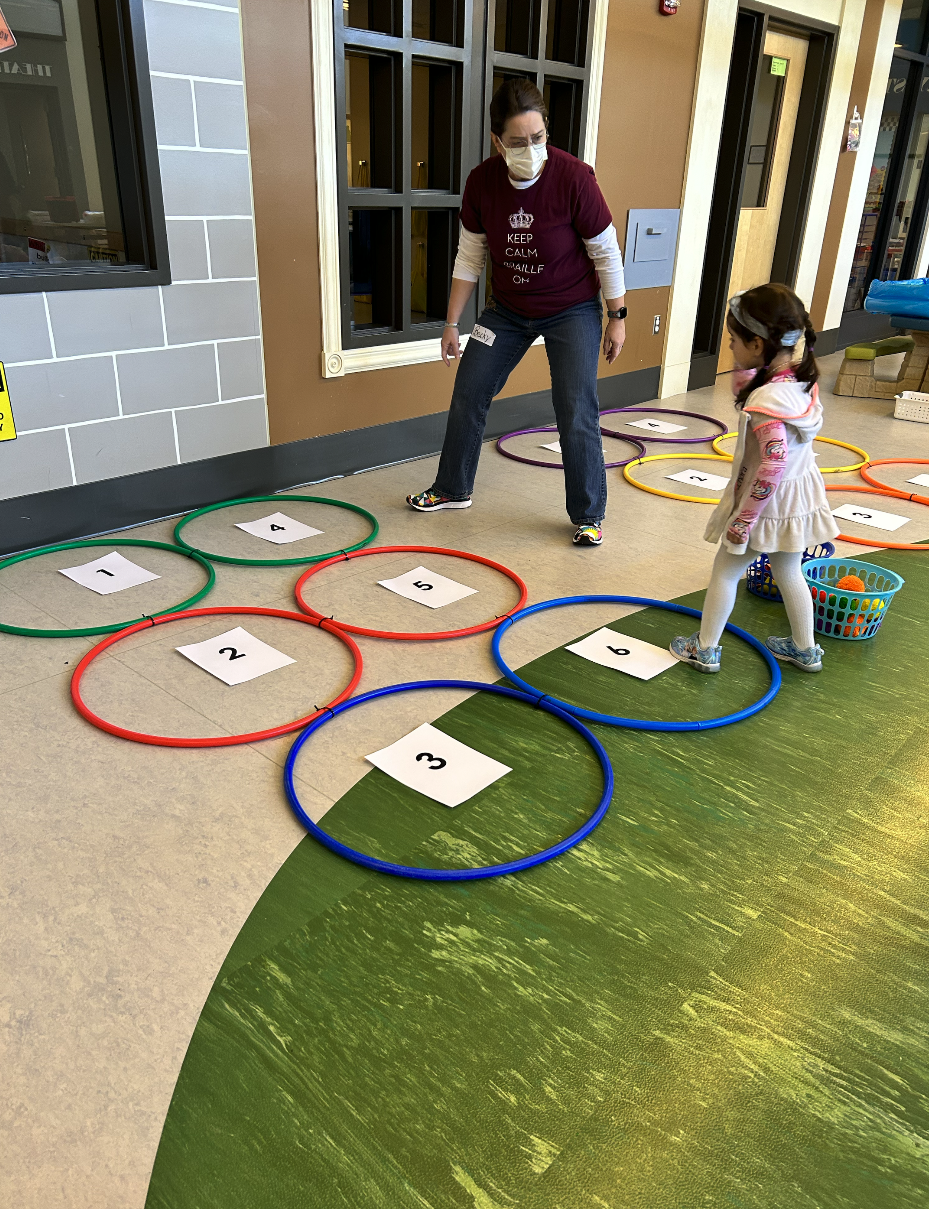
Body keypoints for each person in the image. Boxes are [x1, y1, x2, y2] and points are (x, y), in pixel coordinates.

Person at [406, 78, 626, 547]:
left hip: (572, 308)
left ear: (547, 132)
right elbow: (470, 257)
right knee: (470, 390)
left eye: (537, 138)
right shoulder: (482, 182)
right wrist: (451, 323)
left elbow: (605, 251)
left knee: (575, 407)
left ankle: (589, 514)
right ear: (496, 141)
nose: (530, 149)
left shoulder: (572, 177)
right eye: (517, 142)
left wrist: (618, 316)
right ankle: (452, 487)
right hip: (506, 310)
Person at [670, 283, 839, 673]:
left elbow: (772, 463)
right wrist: (747, 373)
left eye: (733, 341)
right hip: (797, 496)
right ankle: (804, 649)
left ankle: (705, 648)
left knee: (726, 570)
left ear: (759, 345)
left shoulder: (768, 402)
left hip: (765, 503)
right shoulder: (801, 380)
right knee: (788, 569)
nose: (729, 348)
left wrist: (743, 521)